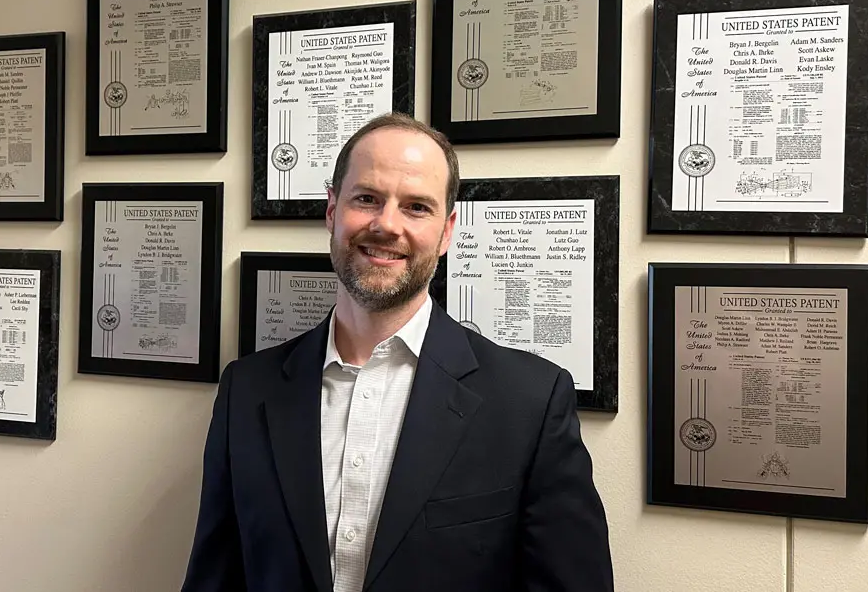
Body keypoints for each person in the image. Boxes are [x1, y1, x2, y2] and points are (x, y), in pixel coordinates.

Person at [181, 112, 613, 591]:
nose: (386, 225)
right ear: (332, 210)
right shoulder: (246, 390)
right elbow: (213, 578)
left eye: (416, 207)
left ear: (446, 232)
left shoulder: (530, 402)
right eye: (366, 198)